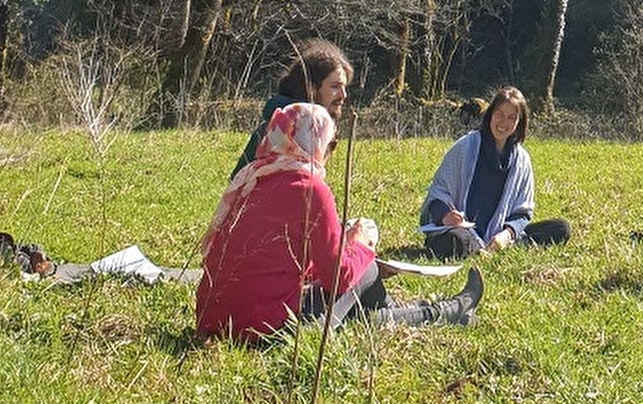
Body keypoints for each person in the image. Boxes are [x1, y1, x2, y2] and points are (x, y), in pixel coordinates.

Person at [198, 101, 482, 343]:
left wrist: (338, 245)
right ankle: (441, 312)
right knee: (367, 269)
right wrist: (359, 245)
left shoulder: (253, 178)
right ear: (315, 141)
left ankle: (438, 311)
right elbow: (339, 277)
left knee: (358, 309)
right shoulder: (309, 187)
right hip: (267, 331)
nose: (330, 153)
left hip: (215, 321)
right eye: (330, 143)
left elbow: (279, 259)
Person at [419, 86, 572, 259]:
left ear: (519, 122)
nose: (503, 123)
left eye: (511, 118)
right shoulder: (465, 147)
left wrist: (507, 234)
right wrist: (446, 216)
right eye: (499, 115)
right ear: (490, 114)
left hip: (499, 235)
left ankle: (496, 247)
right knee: (455, 241)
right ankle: (475, 248)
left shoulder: (522, 160)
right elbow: (437, 193)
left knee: (561, 228)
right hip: (461, 231)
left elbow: (522, 212)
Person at [232, 39, 351, 180]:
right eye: (335, 86)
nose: (343, 95)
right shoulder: (293, 130)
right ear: (311, 88)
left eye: (344, 87)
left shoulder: (312, 126)